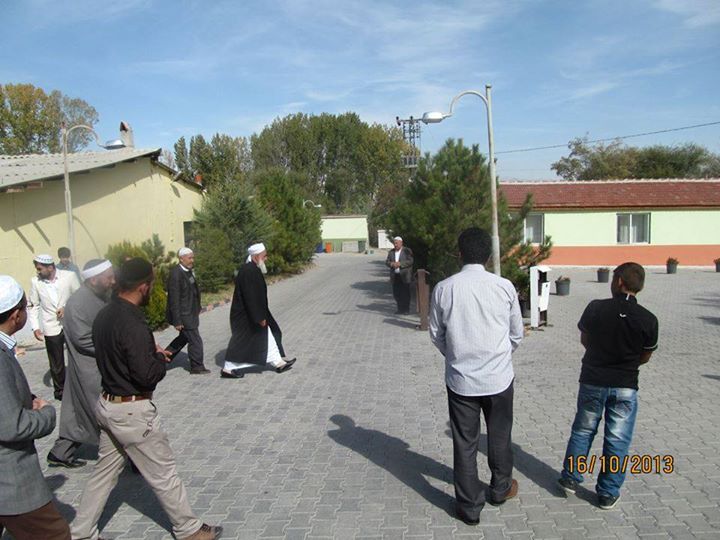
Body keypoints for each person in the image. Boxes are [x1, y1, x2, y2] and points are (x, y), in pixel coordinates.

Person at [70, 258, 222, 540]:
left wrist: (148, 354)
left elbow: (116, 356)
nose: (154, 288)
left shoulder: (105, 314)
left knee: (103, 475)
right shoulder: (132, 322)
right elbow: (147, 376)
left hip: (107, 405)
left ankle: (80, 533)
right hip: (132, 412)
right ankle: (189, 530)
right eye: (152, 283)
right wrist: (159, 359)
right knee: (163, 473)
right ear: (143, 287)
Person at [429, 227, 523, 526]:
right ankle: (501, 488)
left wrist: (456, 355)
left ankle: (469, 507)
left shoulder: (444, 288)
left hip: (461, 381)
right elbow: (516, 334)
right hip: (499, 378)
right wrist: (498, 358)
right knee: (500, 434)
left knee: (465, 443)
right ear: (489, 256)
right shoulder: (504, 287)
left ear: (459, 253)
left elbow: (436, 334)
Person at [557, 262, 659, 510]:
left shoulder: (596, 308)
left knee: (583, 430)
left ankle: (571, 477)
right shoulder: (648, 319)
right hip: (625, 386)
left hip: (592, 380)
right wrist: (626, 362)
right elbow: (645, 356)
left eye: (614, 278)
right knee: (617, 439)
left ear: (620, 282)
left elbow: (585, 339)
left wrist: (600, 355)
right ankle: (607, 493)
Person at [0, 275, 71, 540]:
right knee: (56, 534)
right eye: (26, 307)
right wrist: (45, 414)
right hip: (11, 482)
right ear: (16, 315)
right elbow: (11, 425)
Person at [46, 259, 115, 469]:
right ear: (94, 280)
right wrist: (116, 347)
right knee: (107, 413)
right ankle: (133, 455)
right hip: (90, 368)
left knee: (77, 414)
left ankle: (60, 453)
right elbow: (82, 339)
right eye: (109, 277)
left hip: (99, 365)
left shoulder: (102, 295)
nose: (113, 281)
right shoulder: (77, 303)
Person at [221, 243, 296, 379]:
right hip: (247, 316)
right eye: (264, 256)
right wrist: (259, 317)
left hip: (254, 312)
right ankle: (228, 368)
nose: (266, 258)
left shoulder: (252, 269)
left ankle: (278, 362)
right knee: (242, 342)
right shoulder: (249, 271)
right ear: (256, 257)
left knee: (269, 335)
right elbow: (251, 297)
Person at [29, 254, 81, 400]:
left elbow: (79, 297)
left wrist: (66, 307)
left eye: (40, 269)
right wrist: (35, 327)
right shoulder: (35, 282)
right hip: (51, 326)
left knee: (77, 355)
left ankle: (80, 385)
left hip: (70, 323)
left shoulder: (69, 276)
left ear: (50, 267)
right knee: (56, 362)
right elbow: (33, 305)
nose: (38, 272)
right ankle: (60, 391)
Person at [165, 247, 209, 374]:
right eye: (189, 258)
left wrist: (197, 307)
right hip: (184, 314)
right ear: (181, 259)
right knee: (195, 340)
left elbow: (193, 290)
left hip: (191, 312)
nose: (192, 260)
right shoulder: (175, 274)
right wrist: (177, 320)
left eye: (193, 257)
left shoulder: (188, 271)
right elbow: (174, 299)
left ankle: (162, 359)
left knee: (183, 338)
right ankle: (197, 366)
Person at [385, 236, 413, 314]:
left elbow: (410, 261)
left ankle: (406, 310)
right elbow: (387, 262)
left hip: (405, 276)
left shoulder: (407, 251)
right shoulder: (391, 252)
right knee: (396, 293)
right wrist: (391, 264)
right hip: (395, 276)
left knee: (405, 293)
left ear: (401, 243)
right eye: (394, 243)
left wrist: (400, 264)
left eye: (397, 243)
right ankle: (400, 309)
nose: (395, 245)